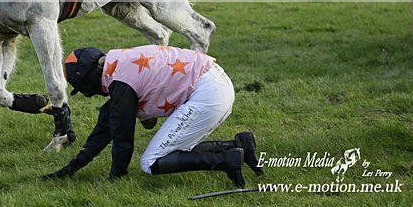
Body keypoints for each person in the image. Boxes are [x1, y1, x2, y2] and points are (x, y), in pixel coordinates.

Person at [43, 45, 262, 185]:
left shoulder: (121, 83)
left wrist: (116, 176)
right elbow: (104, 128)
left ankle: (226, 160)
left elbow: (122, 136)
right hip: (216, 83)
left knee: (151, 161)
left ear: (91, 77)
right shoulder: (120, 64)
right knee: (173, 149)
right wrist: (72, 168)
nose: (90, 93)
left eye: (85, 87)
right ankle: (237, 145)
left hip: (208, 94)